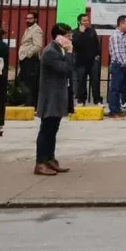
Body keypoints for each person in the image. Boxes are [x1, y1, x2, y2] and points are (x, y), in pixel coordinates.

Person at [35, 23, 75, 176]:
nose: (69, 38)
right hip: (50, 98)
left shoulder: (59, 50)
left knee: (53, 129)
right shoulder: (50, 52)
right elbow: (65, 69)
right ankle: (40, 162)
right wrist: (70, 52)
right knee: (46, 130)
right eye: (66, 36)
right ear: (58, 37)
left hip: (58, 96)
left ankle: (49, 159)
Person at [72, 13, 102, 106]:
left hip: (93, 60)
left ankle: (97, 100)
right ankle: (81, 100)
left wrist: (97, 56)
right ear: (79, 22)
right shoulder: (75, 32)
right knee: (81, 81)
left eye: (87, 20)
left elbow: (97, 44)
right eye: (84, 20)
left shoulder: (92, 31)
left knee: (95, 81)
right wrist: (81, 33)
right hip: (81, 61)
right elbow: (76, 45)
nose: (86, 22)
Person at [106, 15, 126, 120]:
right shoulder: (116, 36)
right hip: (118, 66)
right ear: (121, 23)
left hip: (124, 66)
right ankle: (113, 112)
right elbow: (116, 53)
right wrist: (123, 63)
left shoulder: (124, 36)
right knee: (115, 89)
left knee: (121, 89)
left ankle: (118, 110)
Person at [18, 12, 44, 108]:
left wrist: (28, 54)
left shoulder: (36, 30)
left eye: (30, 18)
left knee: (27, 81)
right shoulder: (29, 29)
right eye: (27, 18)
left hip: (30, 60)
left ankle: (31, 103)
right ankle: (29, 102)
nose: (28, 20)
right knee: (25, 80)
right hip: (25, 59)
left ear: (35, 19)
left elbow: (38, 45)